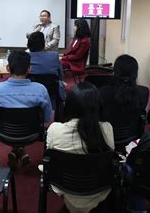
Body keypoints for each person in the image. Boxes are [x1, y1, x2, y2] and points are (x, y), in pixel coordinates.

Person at [45, 82, 114, 213]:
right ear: (97, 106)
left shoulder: (54, 129)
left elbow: (50, 159)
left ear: (69, 106)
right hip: (98, 187)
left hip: (64, 186)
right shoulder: (106, 129)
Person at [0, 50, 52, 168]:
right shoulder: (41, 90)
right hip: (32, 132)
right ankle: (20, 150)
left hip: (3, 132)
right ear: (29, 69)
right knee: (21, 126)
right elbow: (47, 118)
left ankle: (16, 150)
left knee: (14, 126)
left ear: (8, 68)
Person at [99, 55, 149, 127]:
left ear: (114, 72)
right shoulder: (144, 92)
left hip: (107, 135)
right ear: (135, 74)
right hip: (133, 136)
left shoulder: (102, 92)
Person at [27, 31, 66, 102]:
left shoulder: (25, 57)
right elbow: (60, 75)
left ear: (29, 44)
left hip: (30, 92)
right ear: (43, 44)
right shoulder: (54, 55)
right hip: (51, 91)